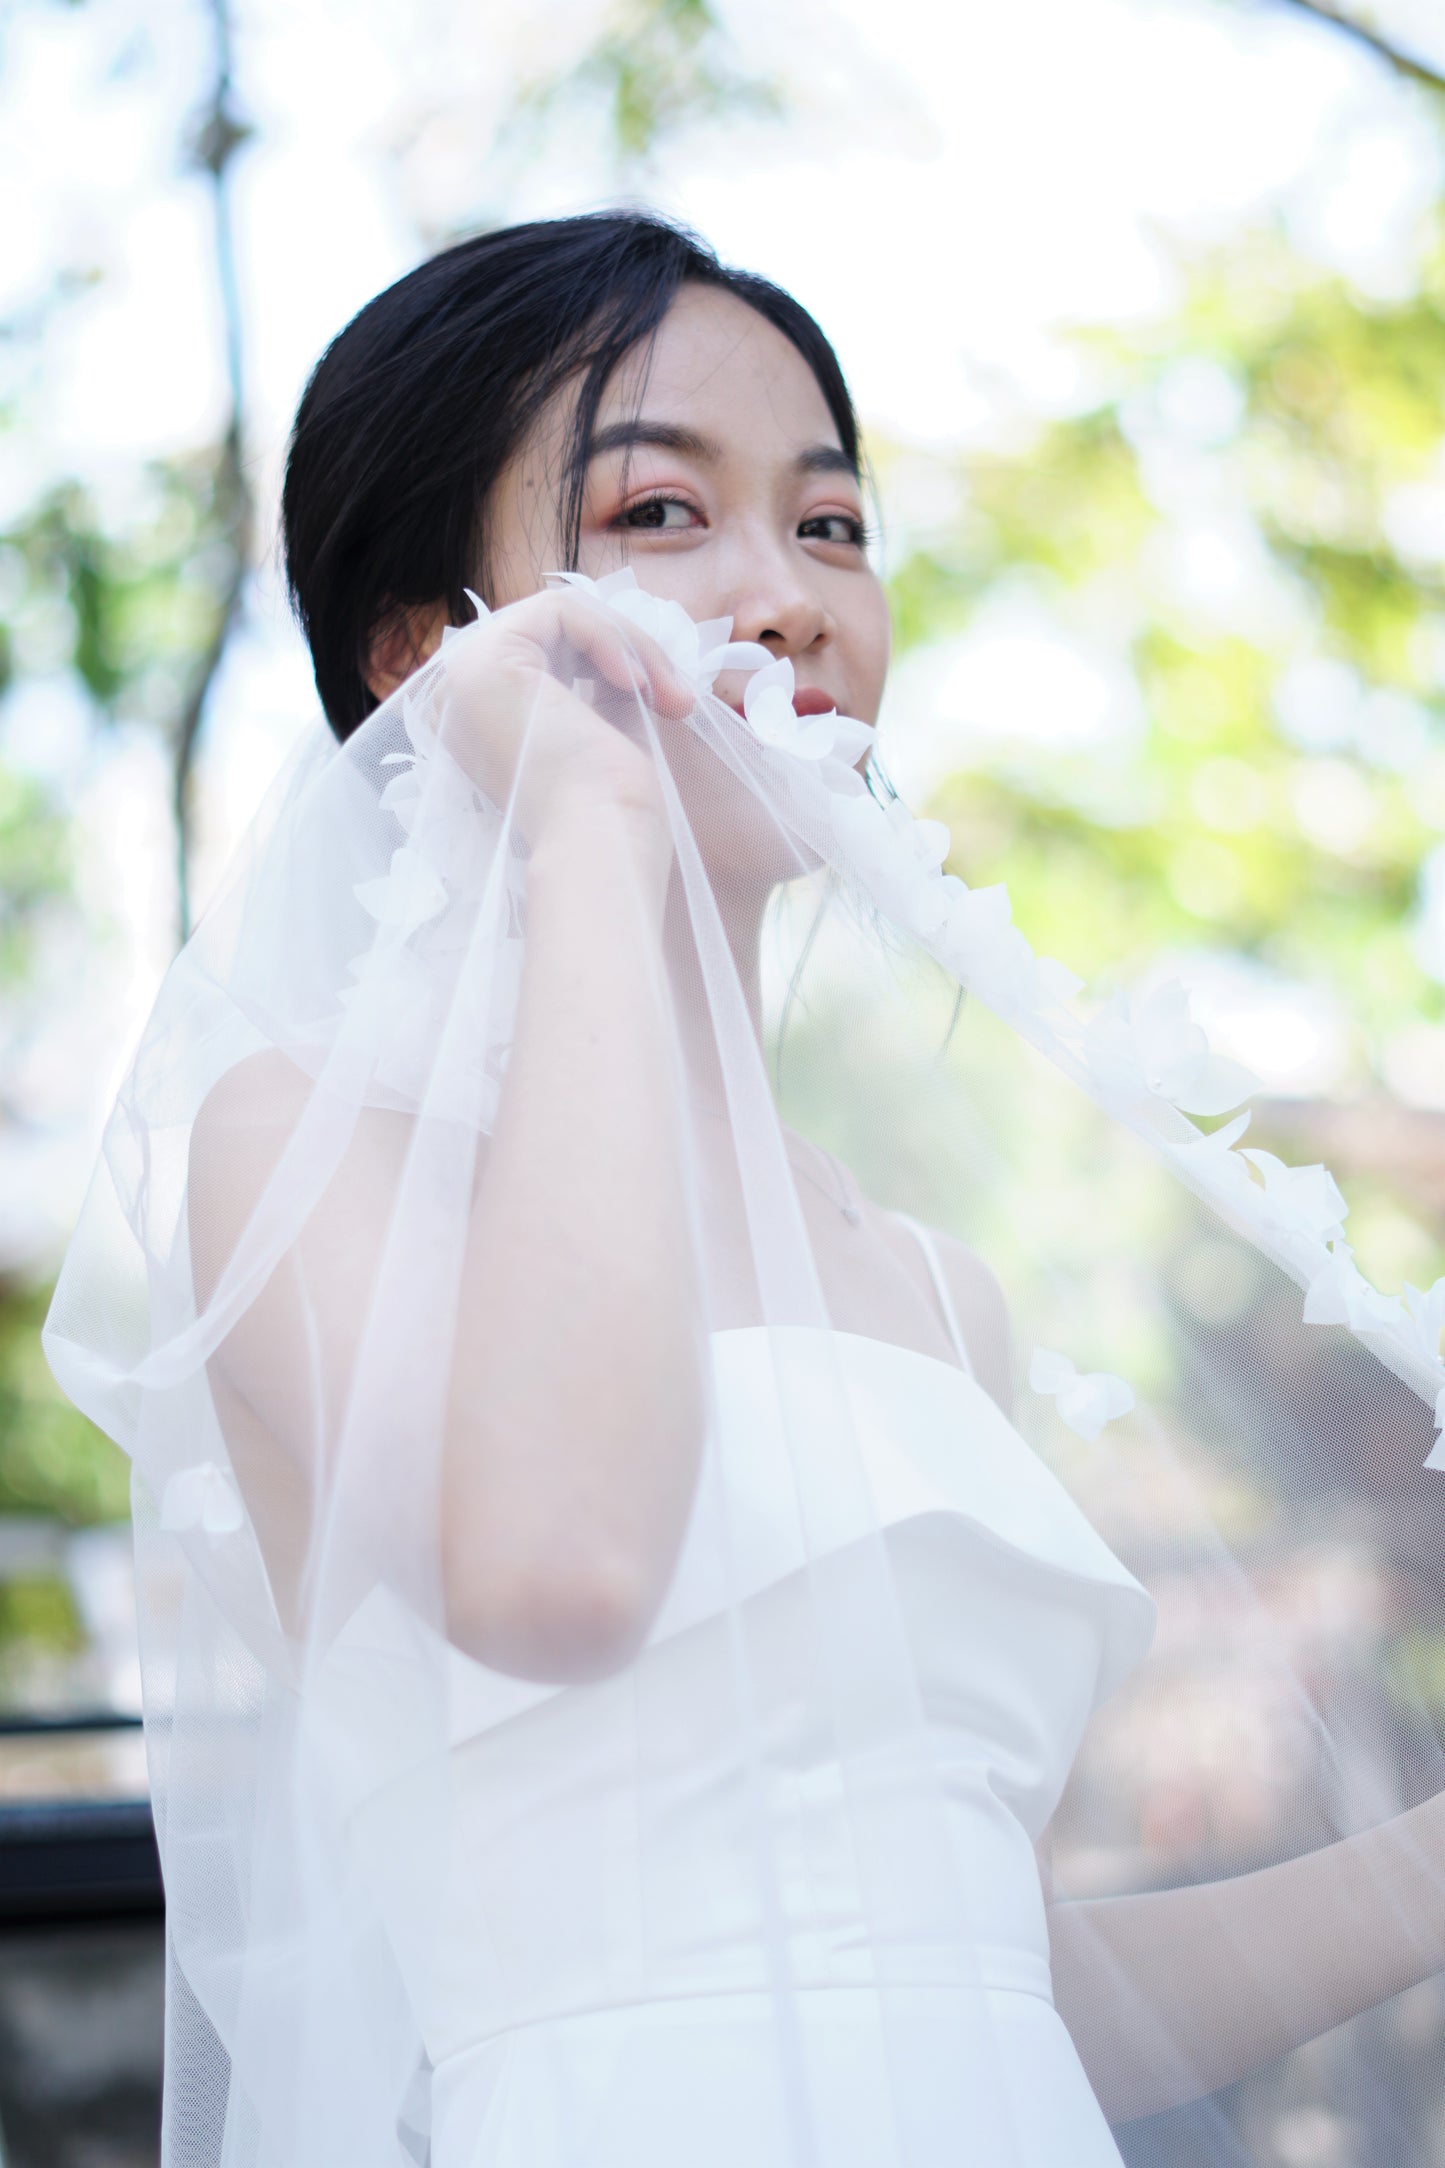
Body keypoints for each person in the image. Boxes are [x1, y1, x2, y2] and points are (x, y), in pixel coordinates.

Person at [43, 209, 1445, 2168]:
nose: (785, 596)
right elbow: (564, 1564)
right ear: (429, 653)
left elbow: (982, 1980)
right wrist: (588, 809)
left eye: (833, 524)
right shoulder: (298, 1152)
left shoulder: (947, 1295)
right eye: (663, 515)